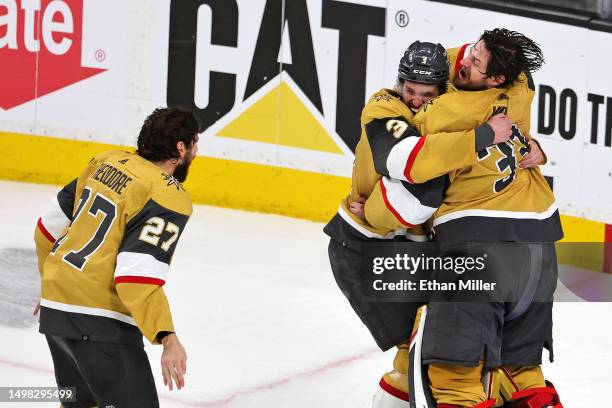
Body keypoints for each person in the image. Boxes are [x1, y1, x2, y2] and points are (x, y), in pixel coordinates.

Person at [356, 29, 563, 407]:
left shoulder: (441, 114)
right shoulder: (520, 92)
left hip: (478, 249)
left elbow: (406, 164)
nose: (463, 60)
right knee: (522, 374)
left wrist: (370, 210)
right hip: (540, 248)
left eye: (475, 61)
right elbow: (457, 64)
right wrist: (535, 149)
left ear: (496, 77)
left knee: (453, 377)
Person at [323, 41, 515, 407]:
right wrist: (482, 134)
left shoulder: (445, 112)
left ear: (442, 91)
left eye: (426, 94)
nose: (414, 99)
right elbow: (407, 159)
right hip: (364, 250)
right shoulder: (384, 105)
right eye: (409, 90)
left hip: (412, 252)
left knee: (436, 350)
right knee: (419, 355)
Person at [33, 107, 200, 407]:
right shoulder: (165, 194)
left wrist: (54, 283)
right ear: (180, 148)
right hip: (100, 323)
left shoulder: (104, 162)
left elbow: (47, 227)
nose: (196, 152)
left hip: (55, 309)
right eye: (194, 144)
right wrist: (167, 336)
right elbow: (135, 277)